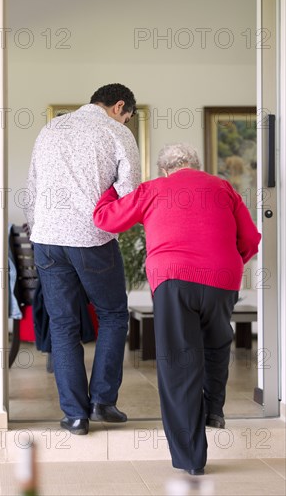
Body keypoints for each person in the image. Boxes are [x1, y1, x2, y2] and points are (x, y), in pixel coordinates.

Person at [93, 142, 261, 474]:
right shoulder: (223, 187)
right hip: (222, 278)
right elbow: (251, 240)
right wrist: (227, 266)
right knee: (216, 342)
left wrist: (109, 188)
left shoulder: (153, 189)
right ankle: (214, 408)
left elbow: (105, 220)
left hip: (173, 279)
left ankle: (191, 459)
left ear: (165, 170)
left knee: (180, 365)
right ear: (196, 166)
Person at [24, 83, 141, 435]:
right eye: (129, 117)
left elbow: (32, 188)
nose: (127, 121)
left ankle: (75, 415)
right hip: (91, 238)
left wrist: (40, 227)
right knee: (114, 314)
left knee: (62, 325)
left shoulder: (51, 128)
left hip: (46, 239)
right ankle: (103, 401)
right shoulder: (116, 132)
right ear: (120, 106)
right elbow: (130, 192)